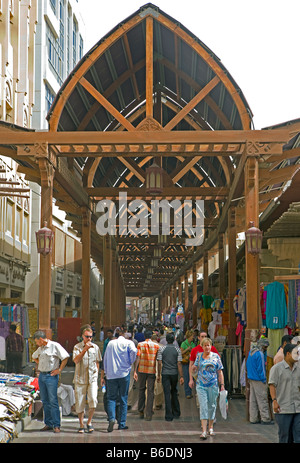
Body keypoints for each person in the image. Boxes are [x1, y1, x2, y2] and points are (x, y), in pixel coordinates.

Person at [32, 330, 69, 433]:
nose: (36, 344)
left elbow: (65, 357)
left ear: (41, 339)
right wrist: (40, 365)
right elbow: (34, 356)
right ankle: (48, 423)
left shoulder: (55, 346)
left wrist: (59, 370)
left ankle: (56, 425)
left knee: (53, 400)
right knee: (45, 400)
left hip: (51, 376)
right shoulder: (41, 348)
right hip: (42, 376)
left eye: (37, 341)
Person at [102, 326, 137, 432]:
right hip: (124, 374)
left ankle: (112, 418)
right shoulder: (129, 343)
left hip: (111, 375)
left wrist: (106, 373)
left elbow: (105, 358)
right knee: (123, 398)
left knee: (111, 398)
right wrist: (130, 361)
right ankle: (121, 423)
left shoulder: (111, 343)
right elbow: (134, 351)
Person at [192, 337, 224, 439]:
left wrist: (222, 385)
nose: (207, 347)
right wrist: (193, 369)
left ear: (211, 346)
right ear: (202, 347)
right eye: (205, 345)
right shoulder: (199, 356)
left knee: (212, 405)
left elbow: (220, 371)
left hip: (213, 385)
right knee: (203, 406)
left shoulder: (216, 357)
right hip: (201, 385)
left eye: (208, 345)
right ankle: (204, 431)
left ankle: (211, 427)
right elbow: (194, 366)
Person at [73, 324, 102, 433]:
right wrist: (84, 349)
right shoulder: (77, 347)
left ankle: (89, 422)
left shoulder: (96, 347)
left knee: (93, 400)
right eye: (86, 336)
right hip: (80, 378)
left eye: (90, 337)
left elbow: (97, 361)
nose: (89, 339)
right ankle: (81, 424)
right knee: (80, 401)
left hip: (92, 378)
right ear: (82, 337)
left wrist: (97, 374)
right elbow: (76, 360)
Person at [269, 343, 300, 443]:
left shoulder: (298, 369)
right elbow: (272, 385)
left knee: (297, 436)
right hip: (283, 408)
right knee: (284, 436)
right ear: (288, 354)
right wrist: (274, 401)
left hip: (298, 408)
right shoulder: (277, 368)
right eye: (296, 353)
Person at [157, 332, 184, 422]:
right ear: (174, 340)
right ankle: (176, 412)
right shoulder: (177, 350)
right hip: (174, 374)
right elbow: (179, 363)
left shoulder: (162, 349)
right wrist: (181, 376)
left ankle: (168, 415)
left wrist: (158, 374)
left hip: (165, 373)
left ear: (166, 340)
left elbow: (160, 362)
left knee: (167, 393)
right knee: (174, 391)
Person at [133, 329, 160, 421]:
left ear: (144, 336)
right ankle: (148, 413)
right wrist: (159, 373)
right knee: (150, 391)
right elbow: (158, 361)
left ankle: (140, 410)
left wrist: (135, 371)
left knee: (141, 389)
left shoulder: (140, 345)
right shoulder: (156, 346)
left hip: (141, 370)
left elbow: (138, 358)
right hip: (151, 370)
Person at [246, 338, 273, 425]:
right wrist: (264, 379)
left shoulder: (251, 352)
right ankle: (265, 418)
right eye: (265, 347)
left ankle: (253, 418)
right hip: (259, 379)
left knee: (253, 400)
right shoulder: (260, 354)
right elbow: (261, 368)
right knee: (262, 399)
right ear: (263, 346)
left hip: (251, 378)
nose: (266, 349)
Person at [180, 329, 195, 399]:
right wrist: (187, 349)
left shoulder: (193, 344)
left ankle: (190, 391)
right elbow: (180, 353)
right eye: (192, 336)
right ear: (189, 336)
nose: (193, 337)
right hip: (185, 363)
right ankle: (187, 393)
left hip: (192, 363)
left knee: (191, 377)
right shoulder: (183, 343)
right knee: (186, 377)